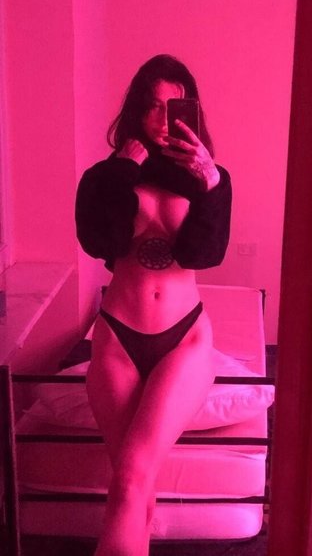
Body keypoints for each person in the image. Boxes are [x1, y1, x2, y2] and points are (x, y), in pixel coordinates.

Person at [75, 54, 231, 556]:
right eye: (153, 106)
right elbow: (100, 242)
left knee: (130, 478)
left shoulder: (210, 178)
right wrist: (122, 174)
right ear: (136, 110)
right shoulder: (104, 177)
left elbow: (204, 255)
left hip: (183, 338)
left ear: (192, 112)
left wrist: (210, 184)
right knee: (132, 484)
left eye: (175, 107)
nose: (163, 119)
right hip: (118, 336)